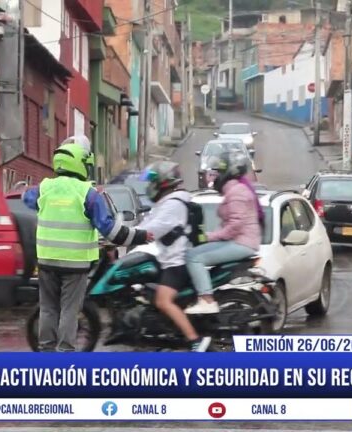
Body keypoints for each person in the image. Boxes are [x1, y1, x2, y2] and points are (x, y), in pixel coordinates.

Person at [22, 137, 150, 352]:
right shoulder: (88, 194)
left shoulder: (44, 189)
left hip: (47, 260)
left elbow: (26, 197)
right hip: (75, 264)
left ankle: (46, 351)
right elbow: (110, 230)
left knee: (48, 308)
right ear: (79, 164)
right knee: (69, 310)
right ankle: (65, 353)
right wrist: (141, 236)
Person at [137, 161, 211, 352]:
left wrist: (129, 236)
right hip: (169, 259)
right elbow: (145, 224)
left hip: (177, 262)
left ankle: (195, 341)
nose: (149, 186)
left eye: (152, 182)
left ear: (163, 182)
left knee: (163, 300)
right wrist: (123, 233)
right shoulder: (167, 203)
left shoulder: (173, 205)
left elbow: (152, 229)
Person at [184, 151, 263, 314]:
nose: (214, 177)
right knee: (192, 252)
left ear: (228, 173)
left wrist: (209, 237)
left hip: (242, 243)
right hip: (240, 241)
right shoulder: (234, 191)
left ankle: (206, 299)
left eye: (218, 173)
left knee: (193, 257)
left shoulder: (237, 193)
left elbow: (234, 226)